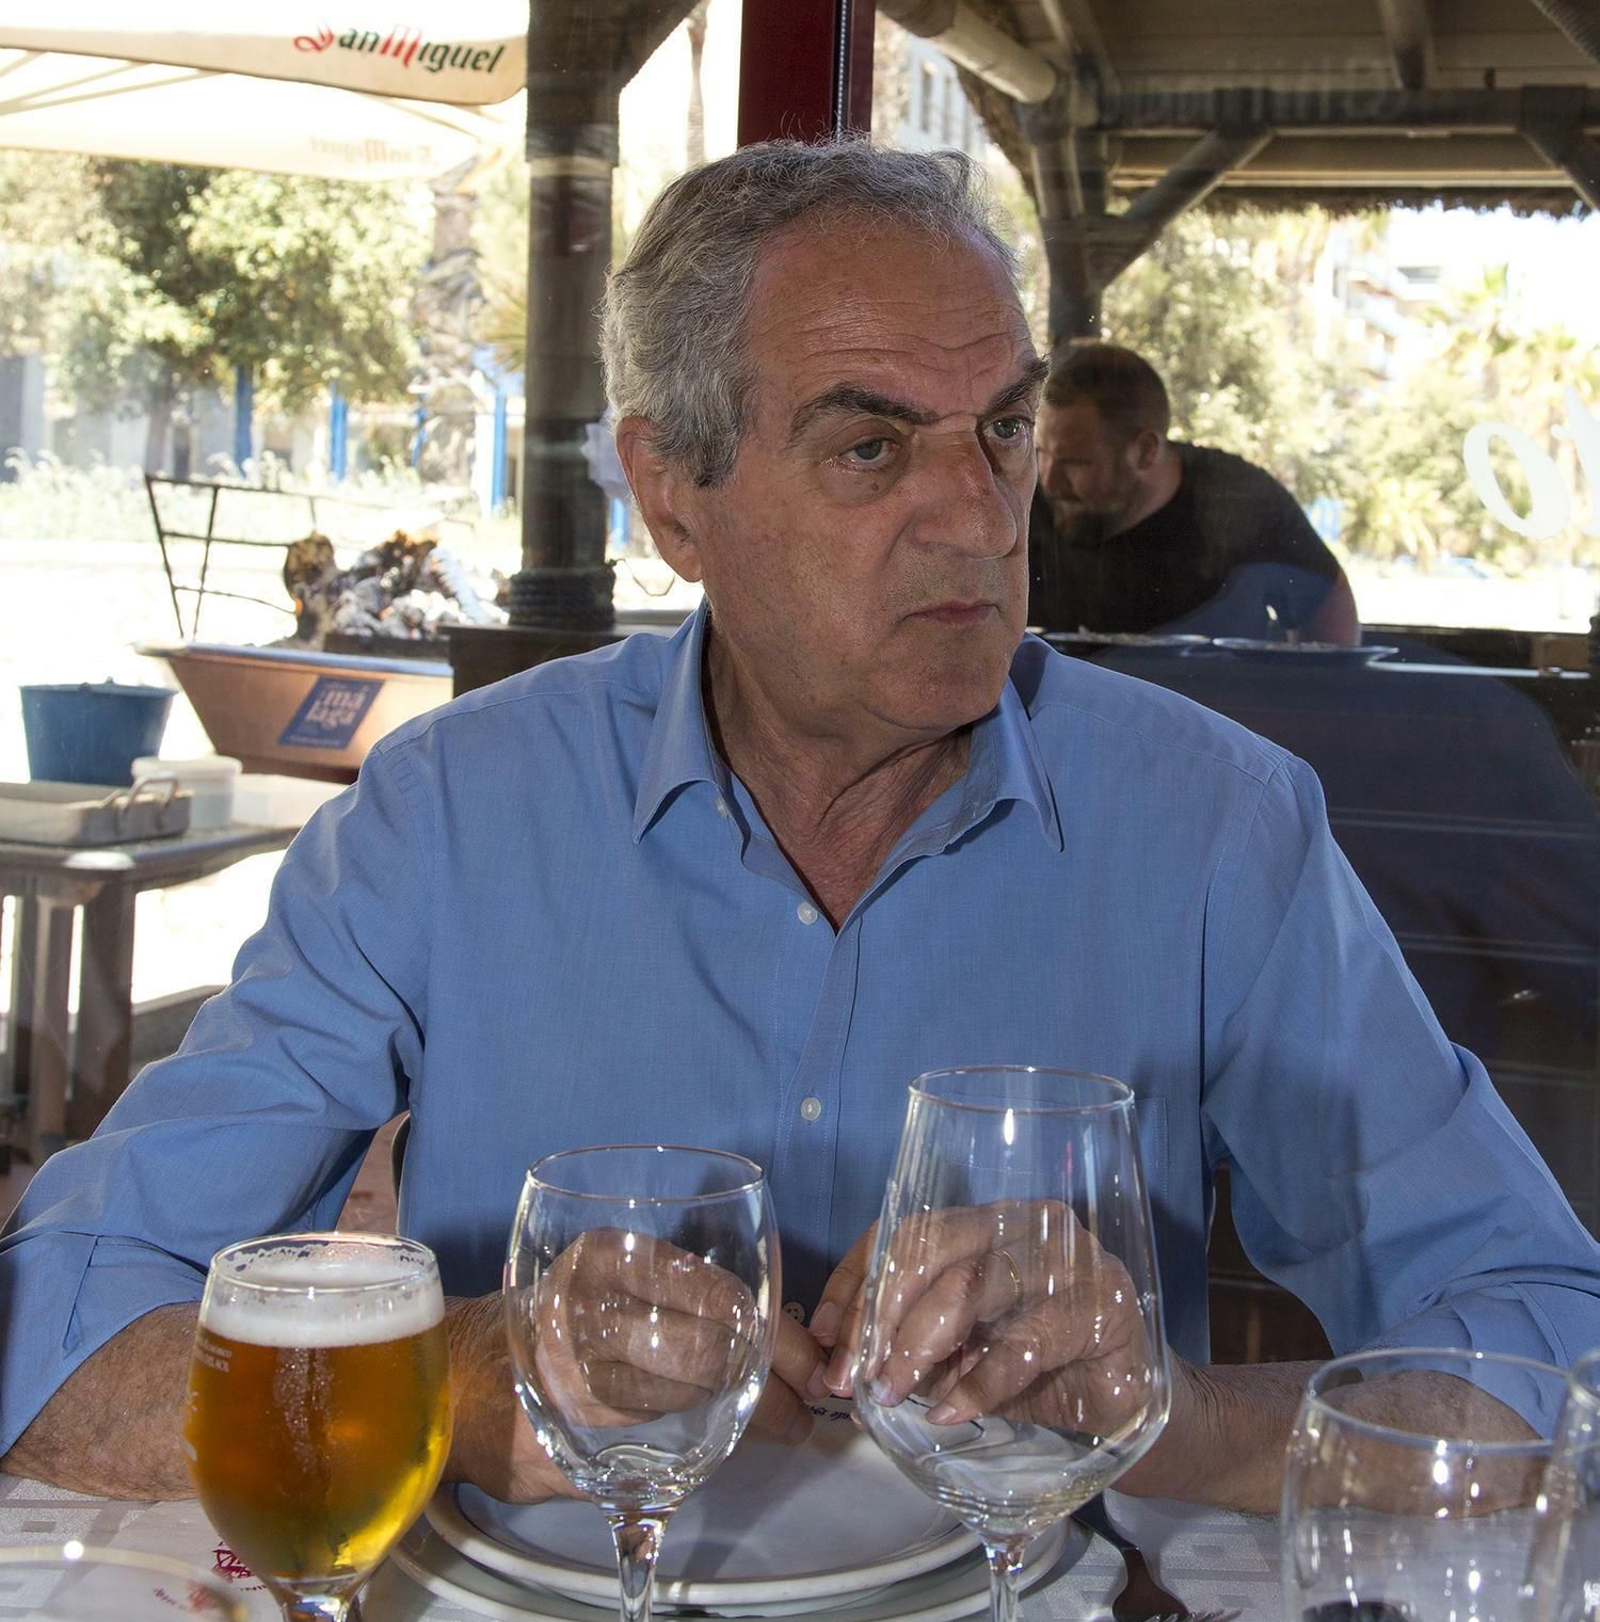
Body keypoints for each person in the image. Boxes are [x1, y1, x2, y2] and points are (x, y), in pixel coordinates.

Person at [2, 144, 1592, 1515]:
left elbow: (1551, 1341)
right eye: (871, 445)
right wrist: (468, 1383)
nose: (978, 514)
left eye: (1005, 431)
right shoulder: (452, 817)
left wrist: (1176, 1421)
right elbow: (54, 1342)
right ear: (671, 493)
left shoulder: (1214, 831)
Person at [1029, 342, 1361, 643]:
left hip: (1208, 703)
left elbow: (1326, 604)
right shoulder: (1024, 493)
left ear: (1145, 452)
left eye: (1076, 463)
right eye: (1041, 452)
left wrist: (1304, 695)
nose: (1050, 481)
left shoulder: (1238, 500)